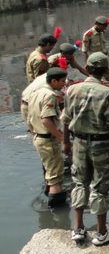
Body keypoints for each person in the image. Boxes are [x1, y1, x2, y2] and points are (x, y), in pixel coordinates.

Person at [62, 52, 109, 246]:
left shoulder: (71, 90)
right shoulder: (108, 93)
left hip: (78, 141)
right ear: (104, 70)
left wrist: (66, 142)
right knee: (100, 186)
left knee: (79, 182)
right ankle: (102, 232)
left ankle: (77, 229)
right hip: (101, 144)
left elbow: (65, 119)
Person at [28, 67, 68, 207]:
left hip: (39, 138)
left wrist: (35, 133)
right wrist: (62, 138)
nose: (64, 84)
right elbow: (46, 120)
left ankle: (51, 197)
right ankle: (58, 211)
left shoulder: (35, 93)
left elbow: (30, 118)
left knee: (50, 172)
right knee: (55, 177)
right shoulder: (50, 95)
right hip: (48, 140)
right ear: (54, 80)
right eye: (62, 81)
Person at [82, 16, 109, 82]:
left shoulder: (102, 32)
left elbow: (104, 49)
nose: (105, 28)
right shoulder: (88, 34)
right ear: (97, 24)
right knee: (99, 81)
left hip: (105, 59)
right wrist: (87, 64)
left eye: (106, 26)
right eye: (104, 26)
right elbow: (84, 51)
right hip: (96, 62)